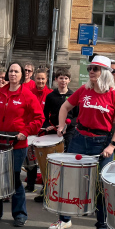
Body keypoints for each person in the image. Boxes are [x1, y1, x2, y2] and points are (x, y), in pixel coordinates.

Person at [53, 55, 115, 229]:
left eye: (95, 69)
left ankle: (102, 226)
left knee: (101, 185)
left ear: (105, 72)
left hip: (102, 142)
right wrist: (61, 125)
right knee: (69, 180)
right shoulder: (84, 90)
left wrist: (112, 145)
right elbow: (65, 107)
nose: (91, 71)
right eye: (90, 68)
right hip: (79, 138)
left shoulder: (114, 95)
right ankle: (65, 219)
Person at [0, 61, 43, 226]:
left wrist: (26, 132)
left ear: (22, 75)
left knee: (14, 179)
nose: (13, 74)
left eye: (16, 71)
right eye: (11, 71)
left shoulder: (27, 95)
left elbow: (39, 118)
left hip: (17, 143)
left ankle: (20, 214)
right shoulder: (0, 93)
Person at [36, 67, 77, 203]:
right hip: (53, 131)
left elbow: (77, 117)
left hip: (68, 132)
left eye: (66, 78)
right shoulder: (50, 96)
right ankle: (46, 189)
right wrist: (47, 124)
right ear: (56, 79)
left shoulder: (74, 96)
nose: (63, 81)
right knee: (49, 162)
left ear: (69, 80)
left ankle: (65, 191)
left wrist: (67, 126)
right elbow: (45, 115)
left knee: (66, 162)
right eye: (60, 78)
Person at [25, 67, 52, 193]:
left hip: (45, 132)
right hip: (31, 130)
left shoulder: (50, 94)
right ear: (34, 79)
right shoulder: (28, 93)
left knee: (44, 160)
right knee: (31, 160)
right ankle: (30, 184)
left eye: (43, 79)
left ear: (46, 79)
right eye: (38, 78)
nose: (40, 81)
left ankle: (44, 187)